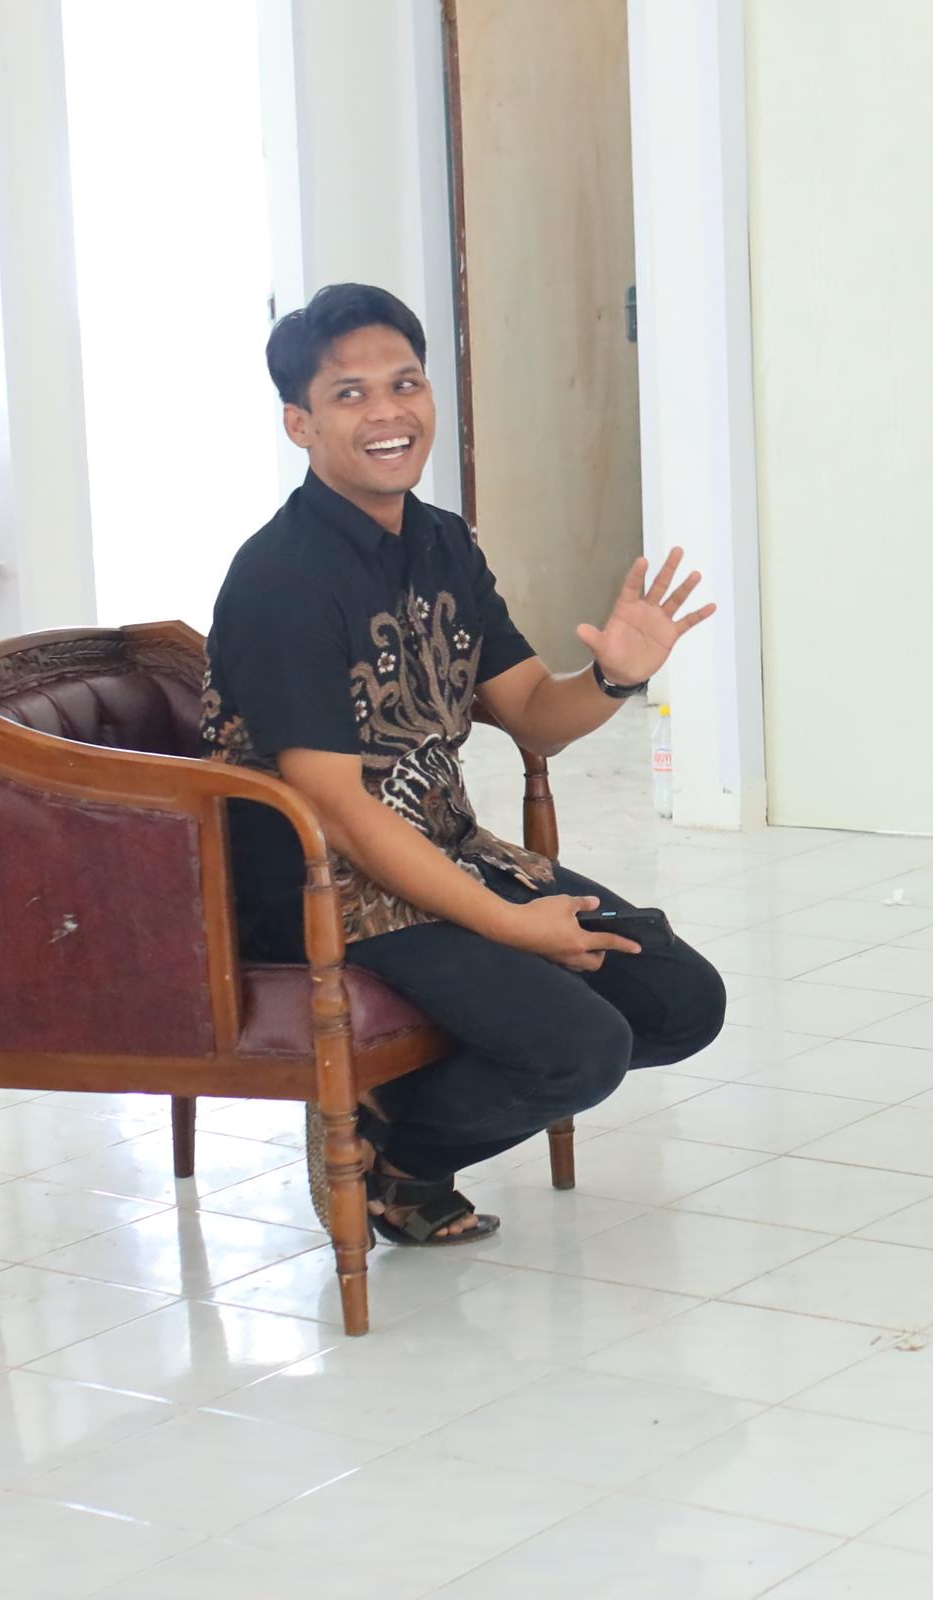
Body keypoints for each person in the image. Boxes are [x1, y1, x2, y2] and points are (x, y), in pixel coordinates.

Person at [202, 283, 727, 1245]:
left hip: (445, 851)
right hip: (327, 887)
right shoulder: (281, 579)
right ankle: (399, 1165)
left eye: (405, 383)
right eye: (351, 393)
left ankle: (393, 1116)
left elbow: (532, 713)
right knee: (583, 1047)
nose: (388, 412)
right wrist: (513, 927)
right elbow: (338, 809)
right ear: (299, 423)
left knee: (681, 1001)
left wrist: (614, 676)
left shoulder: (441, 540)